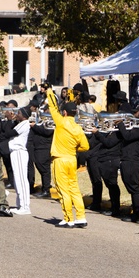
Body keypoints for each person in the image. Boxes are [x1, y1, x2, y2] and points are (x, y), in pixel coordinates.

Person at [46, 88, 89, 227]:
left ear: (64, 112)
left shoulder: (61, 121)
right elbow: (85, 147)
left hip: (60, 159)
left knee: (63, 189)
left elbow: (53, 106)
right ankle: (81, 217)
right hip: (72, 159)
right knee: (74, 188)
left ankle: (68, 218)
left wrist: (49, 91)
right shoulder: (78, 128)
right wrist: (74, 148)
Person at [118, 104, 139, 223]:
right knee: (129, 185)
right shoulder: (134, 126)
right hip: (126, 158)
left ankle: (137, 214)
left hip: (133, 160)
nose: (134, 114)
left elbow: (127, 136)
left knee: (134, 187)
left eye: (136, 112)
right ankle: (134, 211)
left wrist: (120, 123)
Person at [6, 107, 31, 214]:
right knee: (17, 179)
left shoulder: (25, 123)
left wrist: (9, 119)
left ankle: (25, 207)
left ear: (24, 115)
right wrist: (12, 120)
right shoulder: (20, 123)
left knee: (21, 179)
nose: (17, 114)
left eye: (19, 113)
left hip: (20, 152)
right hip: (15, 152)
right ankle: (20, 205)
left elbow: (9, 133)